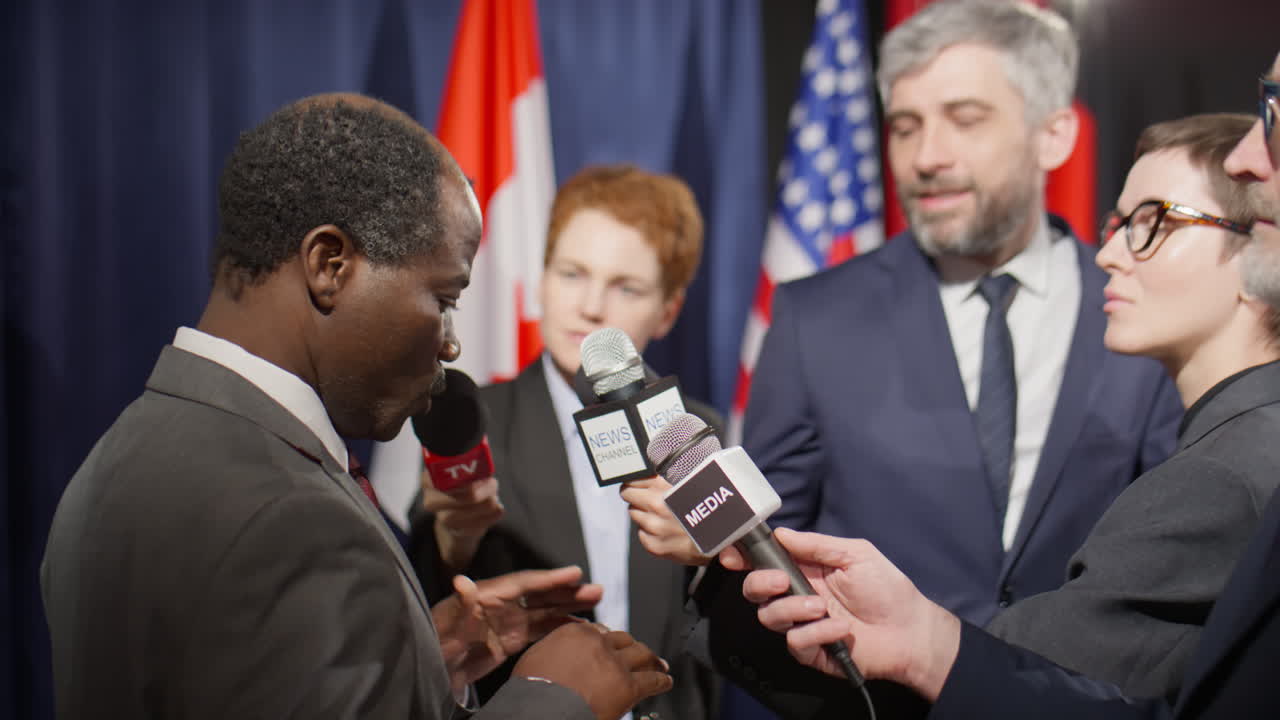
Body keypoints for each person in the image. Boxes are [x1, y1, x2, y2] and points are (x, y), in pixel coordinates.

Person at [40, 94, 671, 720]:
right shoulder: (290, 516)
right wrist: (555, 700)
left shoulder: (119, 456)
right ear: (329, 265)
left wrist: (421, 661)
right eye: (442, 296)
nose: (450, 340)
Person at [735, 77, 1280, 719]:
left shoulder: (1218, 475)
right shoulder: (1230, 446)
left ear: (1259, 253)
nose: (1108, 253)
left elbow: (1056, 686)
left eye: (1150, 223)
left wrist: (915, 644)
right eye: (1117, 223)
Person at [740, 0, 1181, 637]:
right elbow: (765, 558)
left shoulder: (1143, 308)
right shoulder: (815, 319)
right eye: (906, 126)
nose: (926, 156)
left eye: (964, 120)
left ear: (1052, 135)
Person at [406, 165, 720, 720]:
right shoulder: (475, 420)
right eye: (573, 274)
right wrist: (455, 536)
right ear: (543, 279)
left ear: (668, 311)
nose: (592, 306)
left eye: (626, 287)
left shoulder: (691, 430)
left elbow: (721, 623)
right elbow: (424, 605)